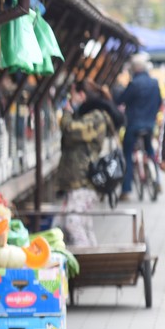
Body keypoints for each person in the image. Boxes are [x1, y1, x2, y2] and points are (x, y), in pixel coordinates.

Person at [58, 84, 114, 246]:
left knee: (73, 223)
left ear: (82, 96)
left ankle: (85, 263)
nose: (70, 100)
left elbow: (70, 130)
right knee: (84, 224)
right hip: (78, 180)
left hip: (83, 180)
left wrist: (67, 113)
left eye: (72, 95)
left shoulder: (95, 117)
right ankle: (92, 260)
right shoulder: (90, 116)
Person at [115, 55, 162, 200]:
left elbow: (121, 99)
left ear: (134, 69)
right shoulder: (154, 83)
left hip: (134, 125)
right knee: (150, 150)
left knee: (127, 154)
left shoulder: (134, 84)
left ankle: (126, 190)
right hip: (149, 124)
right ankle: (157, 180)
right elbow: (159, 101)